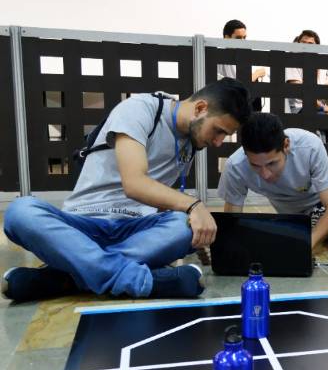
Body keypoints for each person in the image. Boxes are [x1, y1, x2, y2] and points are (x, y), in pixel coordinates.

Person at [2, 79, 250, 302]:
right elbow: (134, 183)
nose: (218, 142)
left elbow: (159, 197)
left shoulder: (190, 143)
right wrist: (194, 205)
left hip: (134, 229)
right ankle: (145, 282)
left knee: (182, 227)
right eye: (218, 131)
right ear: (200, 108)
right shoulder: (140, 109)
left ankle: (68, 276)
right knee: (21, 212)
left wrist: (197, 232)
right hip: (84, 224)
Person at [218, 113, 328, 252]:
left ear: (286, 145)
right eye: (255, 166)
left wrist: (304, 247)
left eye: (272, 163)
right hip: (307, 212)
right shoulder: (235, 166)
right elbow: (233, 222)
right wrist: (227, 249)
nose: (265, 174)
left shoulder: (308, 144)